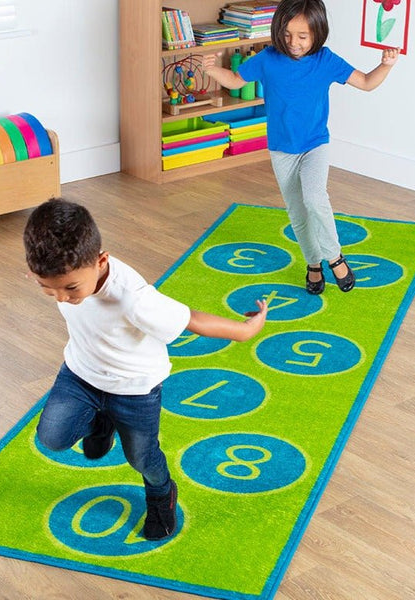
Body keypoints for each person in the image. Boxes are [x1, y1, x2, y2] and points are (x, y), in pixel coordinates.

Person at [23, 198, 268, 541]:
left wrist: (245, 331)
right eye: (48, 289)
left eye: (70, 289)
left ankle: (161, 493)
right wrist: (58, 287)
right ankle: (99, 421)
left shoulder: (133, 298)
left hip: (134, 388)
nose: (62, 298)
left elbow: (191, 319)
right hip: (82, 374)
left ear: (101, 261)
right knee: (52, 437)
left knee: (141, 458)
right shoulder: (64, 274)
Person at [202, 0, 400, 295]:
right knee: (297, 212)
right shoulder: (267, 59)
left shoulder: (326, 61)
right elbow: (233, 80)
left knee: (314, 196)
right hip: (282, 149)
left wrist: (385, 65)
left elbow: (367, 83)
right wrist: (211, 69)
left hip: (314, 144)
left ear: (317, 33)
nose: (293, 43)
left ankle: (335, 256)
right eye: (287, 34)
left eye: (303, 36)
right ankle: (313, 264)